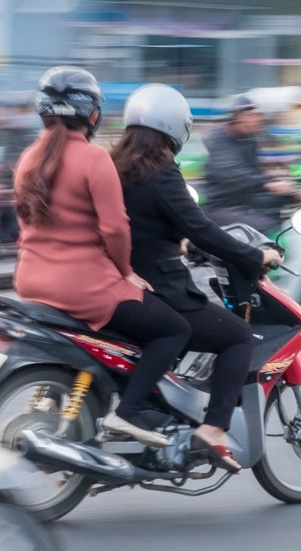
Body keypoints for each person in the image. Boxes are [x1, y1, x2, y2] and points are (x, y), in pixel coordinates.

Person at [113, 84, 281, 472]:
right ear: (175, 128)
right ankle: (214, 429)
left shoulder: (117, 166)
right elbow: (203, 227)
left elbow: (146, 224)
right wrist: (256, 256)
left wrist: (180, 243)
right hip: (162, 289)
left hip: (127, 281)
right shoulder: (161, 172)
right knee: (238, 336)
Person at [12, 65, 183, 448]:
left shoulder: (27, 159)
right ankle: (127, 414)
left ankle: (60, 393)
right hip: (83, 286)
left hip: (30, 282)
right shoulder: (93, 159)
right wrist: (126, 272)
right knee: (173, 328)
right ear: (92, 115)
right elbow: (115, 228)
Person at [202, 95, 295, 232]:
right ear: (235, 119)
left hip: (246, 205)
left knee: (284, 219)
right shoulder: (220, 140)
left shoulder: (249, 140)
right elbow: (232, 172)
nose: (255, 120)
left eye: (256, 115)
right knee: (268, 228)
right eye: (249, 116)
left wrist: (286, 187)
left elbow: (256, 171)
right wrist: (268, 183)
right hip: (222, 208)